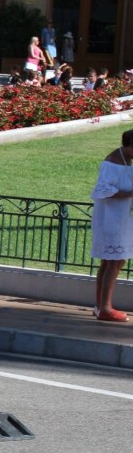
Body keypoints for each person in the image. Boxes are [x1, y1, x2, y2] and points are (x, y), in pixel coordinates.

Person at [89, 128, 133, 322]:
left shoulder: (127, 160)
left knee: (110, 261)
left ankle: (100, 306)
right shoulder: (111, 163)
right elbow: (102, 190)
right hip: (111, 219)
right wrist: (129, 194)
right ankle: (105, 308)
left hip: (121, 218)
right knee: (114, 261)